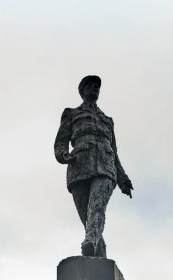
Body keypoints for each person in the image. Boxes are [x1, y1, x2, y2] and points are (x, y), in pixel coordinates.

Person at [54, 75, 133, 258]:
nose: (95, 87)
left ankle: (89, 241)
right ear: (82, 91)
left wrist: (123, 180)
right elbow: (61, 141)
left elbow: (114, 151)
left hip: (106, 168)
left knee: (96, 208)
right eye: (90, 85)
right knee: (88, 218)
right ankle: (99, 253)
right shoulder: (71, 113)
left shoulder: (107, 120)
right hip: (79, 167)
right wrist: (63, 155)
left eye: (97, 85)